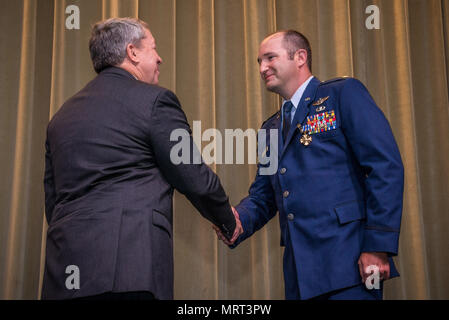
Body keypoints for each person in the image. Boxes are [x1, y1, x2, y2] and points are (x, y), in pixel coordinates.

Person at [42, 17, 242, 300]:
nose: (160, 59)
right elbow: (192, 175)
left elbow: (53, 202)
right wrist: (229, 221)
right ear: (132, 52)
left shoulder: (59, 119)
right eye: (153, 48)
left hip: (63, 273)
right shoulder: (154, 101)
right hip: (129, 271)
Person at [214, 30, 404, 300]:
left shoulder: (342, 94)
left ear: (300, 57)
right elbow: (263, 195)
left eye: (270, 58)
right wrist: (236, 221)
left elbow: (384, 167)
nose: (262, 67)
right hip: (300, 276)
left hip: (350, 264)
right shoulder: (269, 128)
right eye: (259, 61)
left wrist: (377, 246)